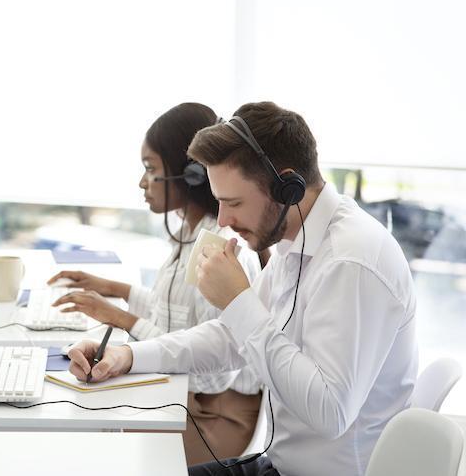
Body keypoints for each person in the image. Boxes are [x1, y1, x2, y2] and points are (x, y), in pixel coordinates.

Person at [66, 101, 417, 476]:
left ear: (287, 188)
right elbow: (230, 338)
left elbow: (330, 411)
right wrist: (128, 356)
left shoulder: (351, 261)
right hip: (279, 465)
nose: (224, 220)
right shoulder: (294, 237)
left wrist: (237, 300)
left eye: (233, 203)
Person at [48, 102, 263, 465]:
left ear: (191, 175)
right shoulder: (190, 231)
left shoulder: (221, 248)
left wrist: (125, 320)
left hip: (214, 417)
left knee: (90, 445)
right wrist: (117, 289)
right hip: (185, 399)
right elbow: (178, 316)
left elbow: (215, 376)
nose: (141, 182)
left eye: (150, 169)